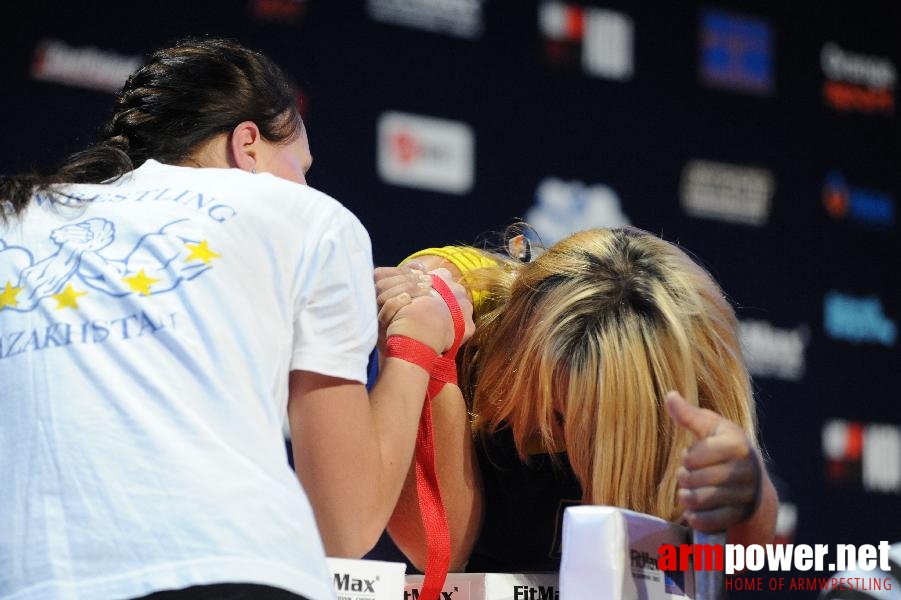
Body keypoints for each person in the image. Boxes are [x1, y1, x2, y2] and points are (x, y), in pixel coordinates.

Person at [0, 37, 472, 600]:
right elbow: (345, 524)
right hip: (229, 572)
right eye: (302, 166)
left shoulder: (15, 217)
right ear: (248, 144)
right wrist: (416, 339)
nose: (307, 186)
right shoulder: (310, 218)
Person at [376, 226, 779, 573]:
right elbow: (438, 552)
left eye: (582, 420)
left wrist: (751, 499)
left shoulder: (692, 391)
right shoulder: (468, 312)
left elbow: (728, 561)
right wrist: (430, 352)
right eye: (548, 402)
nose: (552, 433)